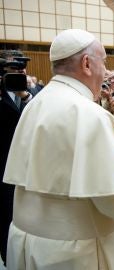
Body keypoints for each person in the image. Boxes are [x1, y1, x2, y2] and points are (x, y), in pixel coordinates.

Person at [3, 29, 114, 270]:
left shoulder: (37, 101)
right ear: (87, 63)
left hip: (28, 242)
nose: (105, 70)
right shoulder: (89, 113)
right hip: (73, 253)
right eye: (103, 61)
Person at [0, 50, 33, 264]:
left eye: (21, 69)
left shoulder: (33, 92)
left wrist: (27, 96)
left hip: (30, 172)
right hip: (3, 172)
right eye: (12, 70)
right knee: (5, 222)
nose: (19, 73)